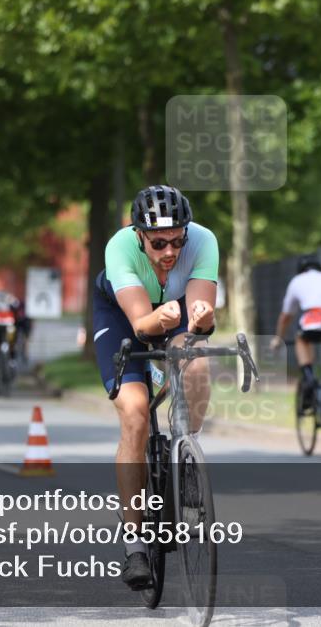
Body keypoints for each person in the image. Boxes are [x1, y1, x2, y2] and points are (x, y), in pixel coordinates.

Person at [93, 184, 217, 589]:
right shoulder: (119, 248)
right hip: (124, 316)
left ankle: (186, 456)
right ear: (139, 235)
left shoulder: (203, 242)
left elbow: (199, 319)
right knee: (135, 412)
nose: (170, 252)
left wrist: (200, 319)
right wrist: (157, 321)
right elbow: (142, 325)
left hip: (174, 310)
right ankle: (133, 543)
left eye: (178, 239)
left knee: (196, 363)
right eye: (159, 242)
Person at [269, 255, 321, 407]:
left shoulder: (297, 281)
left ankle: (308, 377)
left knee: (302, 339)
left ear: (300, 271)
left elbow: (285, 317)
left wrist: (278, 338)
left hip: (315, 320)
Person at [0, 290, 26, 383]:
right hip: (10, 330)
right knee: (12, 345)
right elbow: (19, 318)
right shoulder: (12, 305)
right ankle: (12, 362)